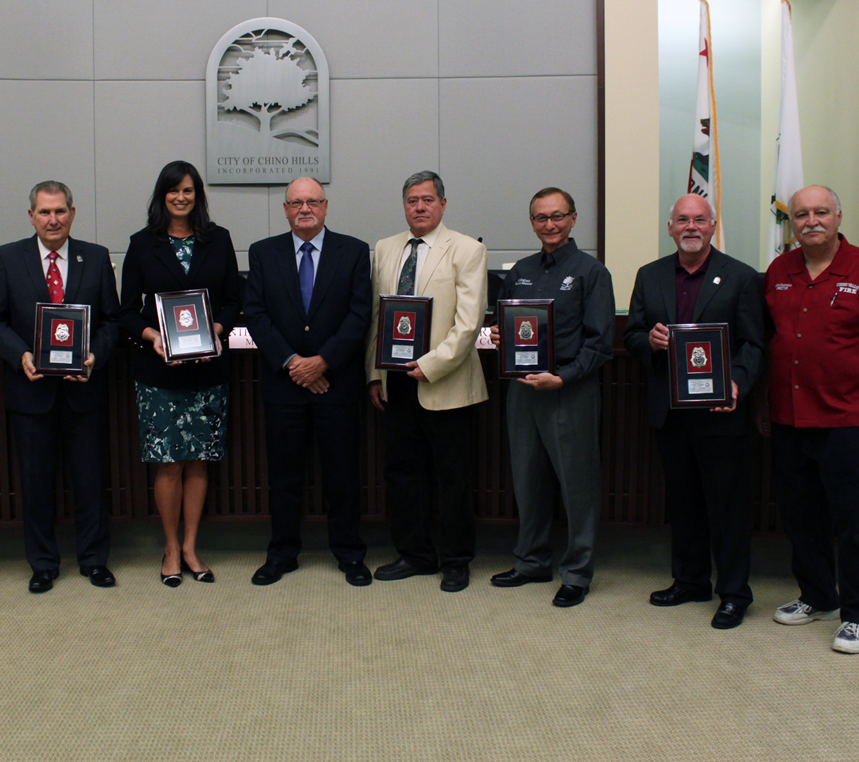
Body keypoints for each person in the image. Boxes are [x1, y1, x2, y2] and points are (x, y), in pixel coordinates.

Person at [761, 185, 859, 654]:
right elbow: (767, 342)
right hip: (788, 417)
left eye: (821, 212)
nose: (811, 221)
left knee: (853, 520)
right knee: (800, 515)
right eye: (801, 214)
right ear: (791, 223)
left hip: (847, 419)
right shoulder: (778, 271)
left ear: (839, 217)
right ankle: (819, 595)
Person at [623, 193, 765, 628]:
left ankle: (734, 594)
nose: (691, 227)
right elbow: (631, 335)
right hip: (672, 412)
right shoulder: (649, 275)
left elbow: (753, 343)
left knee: (727, 507)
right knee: (683, 503)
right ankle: (690, 581)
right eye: (682, 220)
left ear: (712, 226)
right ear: (670, 228)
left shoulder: (741, 276)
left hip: (721, 411)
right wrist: (650, 341)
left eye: (700, 220)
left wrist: (736, 382)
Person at [0, 181, 122, 594]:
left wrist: (94, 355)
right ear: (31, 217)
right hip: (31, 391)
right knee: (35, 482)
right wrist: (21, 354)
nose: (53, 219)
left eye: (60, 211)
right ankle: (42, 564)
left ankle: (94, 560)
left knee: (90, 481)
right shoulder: (8, 258)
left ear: (72, 214)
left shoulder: (95, 257)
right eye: (44, 212)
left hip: (84, 390)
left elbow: (112, 321)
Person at [488, 187, 614, 607]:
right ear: (532, 223)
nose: (550, 224)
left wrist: (562, 378)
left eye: (558, 216)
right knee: (527, 479)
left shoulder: (591, 272)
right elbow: (504, 327)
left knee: (577, 484)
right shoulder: (520, 271)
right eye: (541, 217)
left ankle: (577, 572)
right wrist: (499, 337)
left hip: (568, 389)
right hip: (522, 389)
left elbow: (600, 343)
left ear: (573, 219)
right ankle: (532, 561)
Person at [243, 178, 373, 586]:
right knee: (284, 476)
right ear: (285, 209)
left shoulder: (353, 252)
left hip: (337, 383)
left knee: (342, 475)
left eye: (313, 202)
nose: (305, 209)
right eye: (296, 202)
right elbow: (255, 314)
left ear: (326, 206)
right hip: (284, 386)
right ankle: (282, 554)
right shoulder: (263, 253)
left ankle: (350, 553)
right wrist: (293, 363)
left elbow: (360, 315)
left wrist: (322, 362)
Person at [366, 171, 488, 592]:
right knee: (402, 474)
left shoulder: (467, 250)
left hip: (445, 382)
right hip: (396, 382)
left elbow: (469, 323)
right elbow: (377, 318)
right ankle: (414, 554)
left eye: (427, 200)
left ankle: (456, 560)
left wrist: (431, 365)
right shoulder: (385, 248)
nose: (419, 207)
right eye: (412, 200)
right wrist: (374, 374)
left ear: (443, 204)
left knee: (453, 478)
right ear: (404, 205)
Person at [121, 161, 241, 586]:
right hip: (160, 372)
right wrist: (154, 336)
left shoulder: (219, 239)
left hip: (208, 371)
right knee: (169, 464)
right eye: (173, 190)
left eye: (188, 190)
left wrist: (217, 330)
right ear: (162, 195)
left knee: (199, 463)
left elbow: (234, 301)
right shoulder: (141, 244)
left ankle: (191, 546)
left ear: (197, 195)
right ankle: (170, 548)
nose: (181, 197)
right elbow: (126, 312)